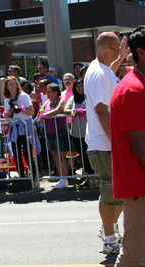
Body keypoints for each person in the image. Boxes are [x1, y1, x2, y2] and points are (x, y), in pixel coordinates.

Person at [84, 32, 129, 254]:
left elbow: (107, 81)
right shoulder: (98, 73)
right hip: (105, 144)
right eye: (117, 48)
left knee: (118, 193)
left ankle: (108, 229)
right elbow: (102, 110)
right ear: (111, 46)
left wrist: (119, 59)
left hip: (106, 143)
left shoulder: (99, 71)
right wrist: (117, 142)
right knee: (111, 192)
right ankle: (109, 237)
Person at [111, 26, 145, 267]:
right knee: (133, 256)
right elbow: (140, 145)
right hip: (139, 183)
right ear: (142, 52)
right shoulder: (134, 89)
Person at [3, 76, 37, 179]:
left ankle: (34, 177)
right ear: (7, 87)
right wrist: (11, 110)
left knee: (27, 153)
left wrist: (21, 108)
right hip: (14, 128)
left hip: (25, 126)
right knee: (16, 153)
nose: (13, 86)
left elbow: (32, 112)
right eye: (10, 84)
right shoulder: (7, 100)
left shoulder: (23, 96)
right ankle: (22, 176)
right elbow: (6, 115)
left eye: (14, 83)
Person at [38, 83, 69, 189]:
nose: (47, 93)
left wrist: (45, 116)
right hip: (49, 132)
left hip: (60, 131)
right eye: (47, 91)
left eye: (50, 91)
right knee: (55, 157)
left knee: (61, 157)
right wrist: (41, 116)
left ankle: (64, 179)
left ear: (56, 92)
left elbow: (59, 110)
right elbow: (41, 113)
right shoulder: (46, 102)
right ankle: (61, 179)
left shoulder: (62, 99)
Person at [63, 79, 94, 177]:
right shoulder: (72, 98)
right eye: (78, 86)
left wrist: (82, 111)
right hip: (76, 132)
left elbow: (94, 107)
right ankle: (87, 175)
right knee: (82, 154)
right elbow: (65, 109)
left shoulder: (89, 96)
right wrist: (72, 111)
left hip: (88, 131)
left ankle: (93, 174)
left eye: (82, 86)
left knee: (90, 154)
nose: (80, 88)